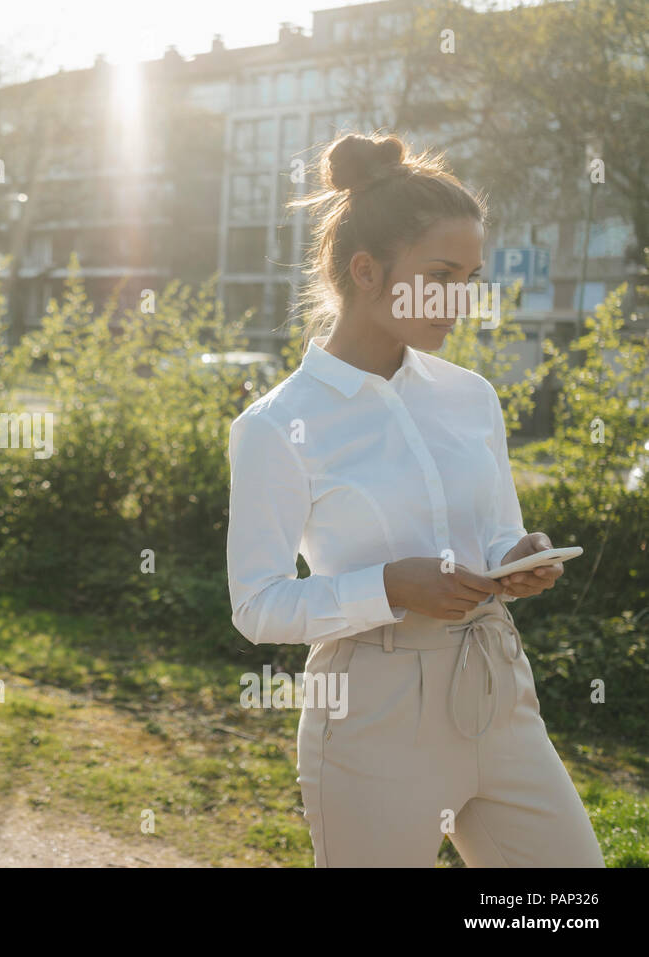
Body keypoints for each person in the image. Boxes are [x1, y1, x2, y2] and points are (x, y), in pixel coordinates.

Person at [224, 132, 604, 867]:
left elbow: (496, 535)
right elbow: (258, 605)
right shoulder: (275, 426)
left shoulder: (472, 397)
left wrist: (515, 561)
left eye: (471, 276)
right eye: (441, 274)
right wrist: (391, 586)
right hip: (371, 714)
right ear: (366, 270)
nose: (461, 299)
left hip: (498, 691)